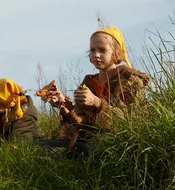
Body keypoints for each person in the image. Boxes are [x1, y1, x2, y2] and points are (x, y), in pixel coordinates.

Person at [39, 26, 149, 157]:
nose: (96, 54)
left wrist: (97, 103)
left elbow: (127, 122)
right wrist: (64, 105)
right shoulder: (89, 83)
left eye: (102, 50)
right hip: (88, 139)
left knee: (94, 152)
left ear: (116, 53)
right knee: (40, 147)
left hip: (117, 142)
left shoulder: (128, 80)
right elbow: (81, 122)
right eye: (92, 50)